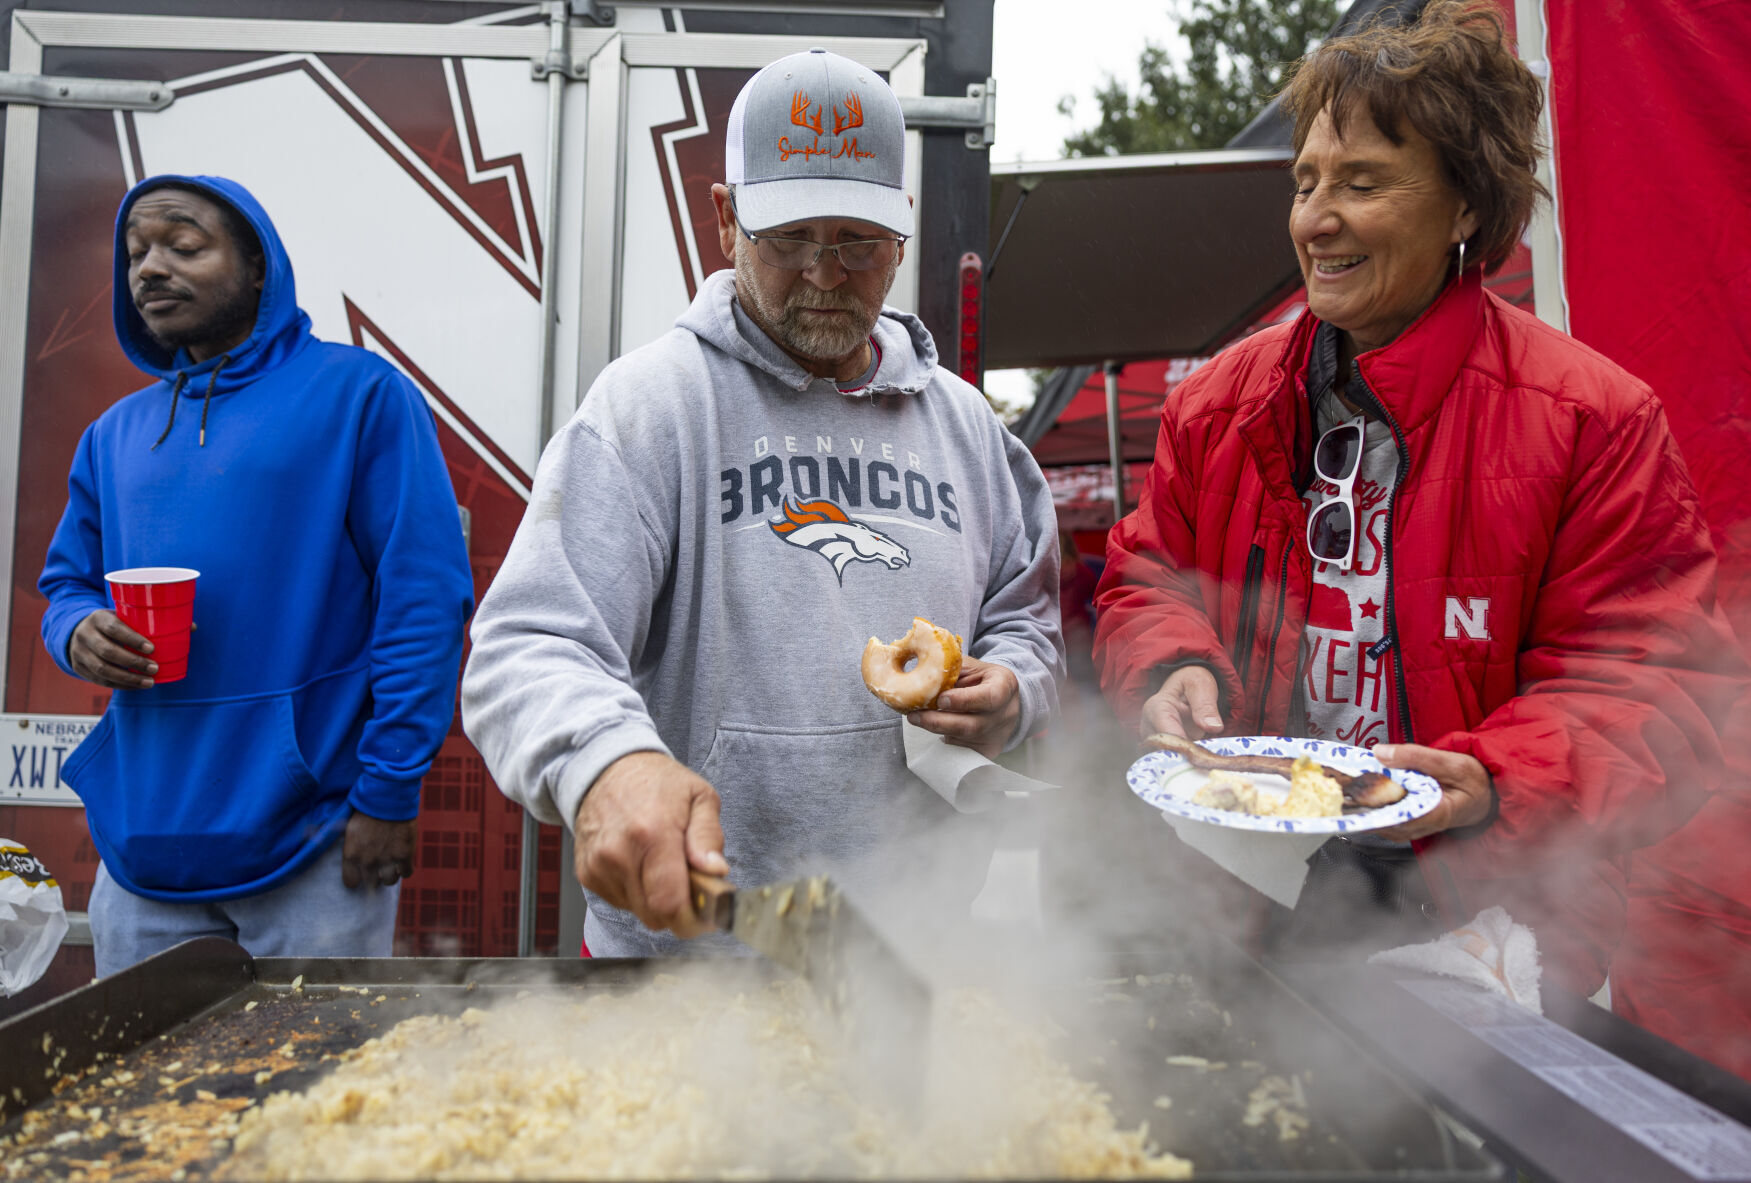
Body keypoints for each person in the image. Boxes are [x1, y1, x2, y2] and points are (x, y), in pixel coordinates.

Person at [1094, 0, 1746, 1019]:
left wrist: (1491, 774)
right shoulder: (1215, 404)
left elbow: (1653, 681)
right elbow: (1145, 574)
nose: (1315, 218)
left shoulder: (1590, 419)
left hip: (1487, 908)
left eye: (1361, 182)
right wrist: (1172, 663)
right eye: (1304, 181)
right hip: (1245, 898)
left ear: (1462, 210)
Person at [463, 49, 1063, 957]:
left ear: (901, 232)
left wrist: (1016, 691)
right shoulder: (650, 407)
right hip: (689, 948)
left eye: (858, 242)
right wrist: (607, 762)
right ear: (724, 220)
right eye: (789, 239)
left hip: (921, 948)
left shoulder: (969, 428)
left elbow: (1027, 619)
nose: (826, 274)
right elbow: (531, 644)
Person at [38, 176, 475, 975]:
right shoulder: (114, 434)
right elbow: (65, 586)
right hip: (142, 850)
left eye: (184, 244)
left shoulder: (360, 396)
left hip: (315, 839)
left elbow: (423, 599)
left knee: (306, 1093)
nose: (150, 268)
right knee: (139, 1096)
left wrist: (389, 789)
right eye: (136, 252)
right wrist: (77, 631)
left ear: (257, 266)